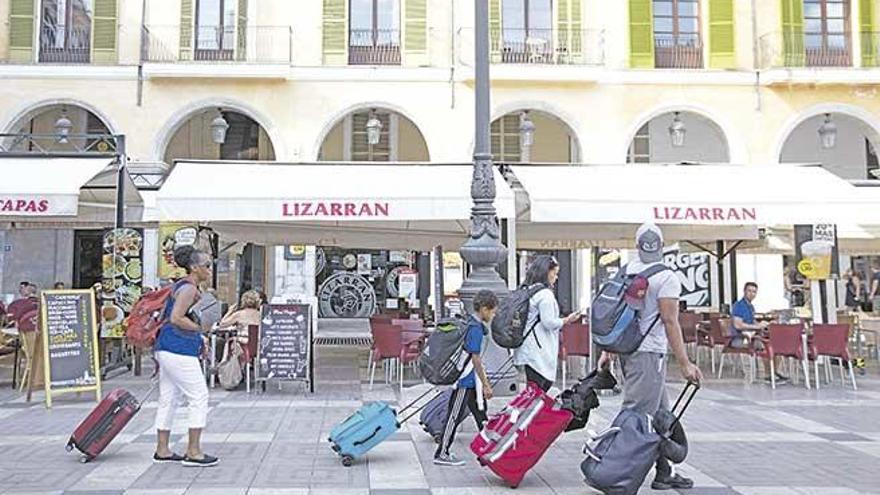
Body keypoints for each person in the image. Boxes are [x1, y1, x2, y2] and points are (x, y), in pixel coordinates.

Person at [598, 223, 702, 491]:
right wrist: (685, 363)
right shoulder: (666, 277)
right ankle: (610, 472)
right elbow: (670, 320)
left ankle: (664, 471)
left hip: (629, 350)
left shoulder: (626, 270)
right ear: (662, 244)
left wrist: (608, 350)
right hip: (648, 355)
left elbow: (614, 314)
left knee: (662, 414)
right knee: (634, 415)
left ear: (636, 245)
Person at [153, 246, 218, 467]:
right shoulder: (188, 288)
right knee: (199, 396)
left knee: (168, 398)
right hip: (178, 348)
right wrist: (200, 331)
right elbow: (176, 318)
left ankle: (162, 449)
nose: (210, 269)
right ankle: (193, 451)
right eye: (207, 265)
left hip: (167, 347)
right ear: (194, 267)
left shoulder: (183, 286)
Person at [434, 289, 497, 466]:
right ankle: (442, 452)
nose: (493, 315)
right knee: (453, 417)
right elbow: (475, 358)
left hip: (471, 382)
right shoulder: (475, 329)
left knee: (482, 417)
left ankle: (488, 451)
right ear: (484, 309)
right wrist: (486, 385)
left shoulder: (470, 322)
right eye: (492, 311)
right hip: (466, 381)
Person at [513, 255, 582, 392]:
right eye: (554, 274)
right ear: (546, 272)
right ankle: (530, 414)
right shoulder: (545, 295)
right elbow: (548, 322)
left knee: (533, 392)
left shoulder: (528, 290)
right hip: (539, 351)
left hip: (528, 350)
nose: (556, 278)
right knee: (538, 393)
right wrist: (567, 320)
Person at [730, 282, 788, 384]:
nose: (752, 294)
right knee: (765, 345)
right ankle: (768, 374)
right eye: (749, 291)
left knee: (775, 344)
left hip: (751, 336)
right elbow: (738, 325)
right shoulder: (738, 306)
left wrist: (765, 324)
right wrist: (757, 326)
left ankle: (773, 371)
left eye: (754, 292)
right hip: (739, 338)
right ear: (744, 291)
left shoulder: (750, 307)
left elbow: (752, 322)